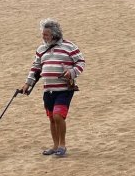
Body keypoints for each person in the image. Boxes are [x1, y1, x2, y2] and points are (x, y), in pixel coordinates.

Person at [21, 18, 86, 157]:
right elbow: (35, 67)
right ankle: (55, 145)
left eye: (46, 35)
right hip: (48, 89)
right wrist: (28, 83)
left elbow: (81, 62)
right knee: (51, 118)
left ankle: (62, 145)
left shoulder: (69, 46)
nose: (44, 37)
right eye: (43, 34)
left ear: (55, 34)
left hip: (64, 89)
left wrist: (71, 72)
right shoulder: (41, 49)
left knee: (58, 116)